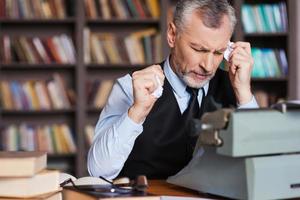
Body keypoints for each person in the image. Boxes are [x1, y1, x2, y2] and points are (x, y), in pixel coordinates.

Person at [88, 0, 258, 180]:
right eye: (198, 49)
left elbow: (258, 168)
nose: (208, 66)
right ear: (172, 35)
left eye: (218, 53)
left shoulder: (236, 88)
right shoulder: (130, 88)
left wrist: (244, 94)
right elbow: (98, 171)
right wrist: (137, 112)